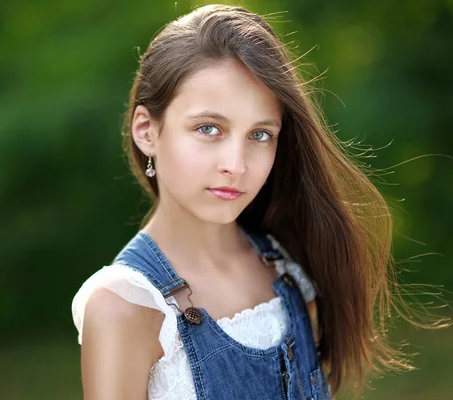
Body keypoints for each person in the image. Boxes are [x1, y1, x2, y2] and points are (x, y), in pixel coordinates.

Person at [71, 4, 450, 399]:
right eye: (208, 128)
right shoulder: (124, 306)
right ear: (147, 131)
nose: (236, 165)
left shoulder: (288, 268)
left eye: (260, 135)